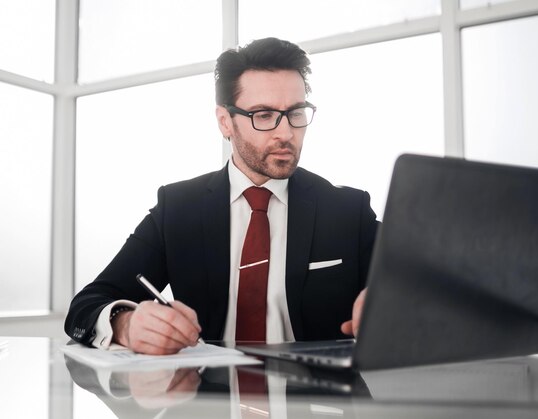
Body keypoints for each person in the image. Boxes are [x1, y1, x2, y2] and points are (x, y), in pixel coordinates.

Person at [65, 37, 379, 355]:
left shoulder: (347, 212)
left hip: (318, 399)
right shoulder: (178, 209)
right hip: (205, 395)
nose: (285, 133)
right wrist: (126, 326)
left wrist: (399, 303)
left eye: (296, 113)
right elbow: (87, 305)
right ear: (225, 121)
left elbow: (416, 288)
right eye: (264, 115)